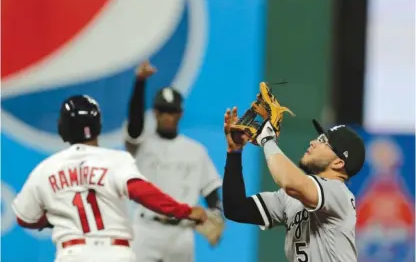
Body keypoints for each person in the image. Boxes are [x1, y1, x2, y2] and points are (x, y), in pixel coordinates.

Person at [12, 95, 207, 262]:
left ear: (63, 129)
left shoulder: (46, 169)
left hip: (72, 254)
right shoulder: (116, 160)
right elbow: (143, 193)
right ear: (98, 125)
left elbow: (24, 217)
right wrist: (185, 211)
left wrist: (52, 217)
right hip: (115, 254)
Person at [222, 107, 365, 262]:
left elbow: (290, 182)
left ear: (338, 162)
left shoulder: (338, 193)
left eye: (323, 141)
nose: (313, 142)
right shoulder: (293, 197)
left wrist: (267, 140)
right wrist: (234, 153)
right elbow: (236, 208)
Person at [125, 61, 224, 262]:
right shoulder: (141, 144)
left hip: (181, 234)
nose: (167, 117)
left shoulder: (196, 151)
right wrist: (140, 83)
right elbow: (135, 124)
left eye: (172, 111)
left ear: (180, 113)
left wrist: (216, 215)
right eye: (163, 111)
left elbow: (211, 190)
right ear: (155, 113)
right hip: (146, 229)